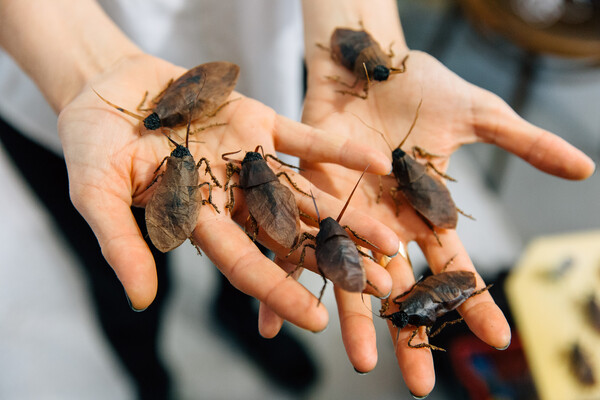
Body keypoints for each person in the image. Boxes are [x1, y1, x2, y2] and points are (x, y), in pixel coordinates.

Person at [0, 0, 594, 399]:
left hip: (255, 66)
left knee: (257, 255)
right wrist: (87, 67)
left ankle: (234, 318)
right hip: (54, 74)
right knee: (120, 272)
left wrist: (369, 38)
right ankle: (144, 368)